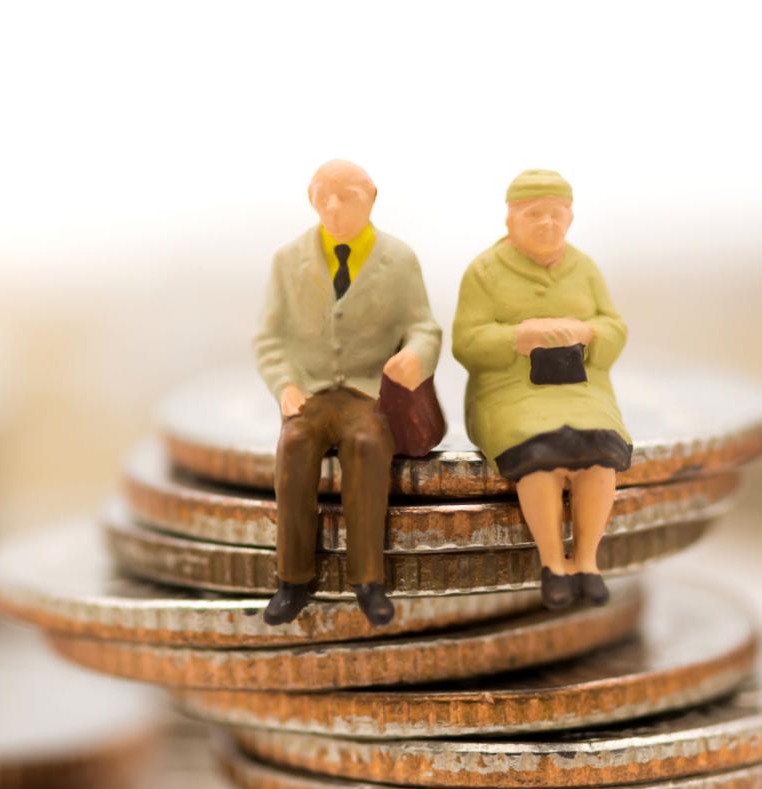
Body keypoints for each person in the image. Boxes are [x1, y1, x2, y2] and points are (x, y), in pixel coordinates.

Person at [253, 159, 442, 626]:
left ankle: (368, 579)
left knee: (367, 444)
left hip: (368, 392)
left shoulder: (398, 260)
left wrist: (417, 354)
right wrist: (284, 384)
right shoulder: (287, 260)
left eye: (348, 197)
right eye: (325, 197)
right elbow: (269, 337)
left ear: (372, 197)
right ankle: (293, 579)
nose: (335, 208)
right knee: (294, 445)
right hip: (310, 392)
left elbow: (424, 326)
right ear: (311, 198)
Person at [451, 169, 631, 610]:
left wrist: (587, 332)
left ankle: (587, 561)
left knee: (598, 455)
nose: (547, 224)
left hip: (580, 387)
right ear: (511, 220)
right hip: (512, 391)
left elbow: (615, 325)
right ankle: (552, 563)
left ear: (570, 219)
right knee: (541, 458)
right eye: (535, 215)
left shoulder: (584, 268)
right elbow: (465, 342)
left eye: (556, 215)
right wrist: (519, 336)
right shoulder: (485, 271)